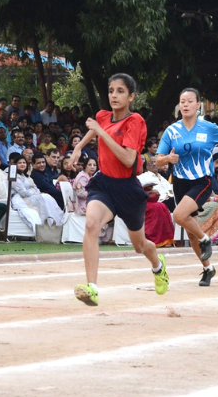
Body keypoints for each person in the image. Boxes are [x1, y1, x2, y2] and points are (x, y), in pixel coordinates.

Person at [68, 73, 168, 305]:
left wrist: (101, 132)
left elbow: (126, 158)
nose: (114, 95)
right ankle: (92, 288)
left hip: (128, 189)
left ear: (131, 96)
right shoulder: (103, 116)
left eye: (120, 91)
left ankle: (158, 266)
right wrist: (78, 148)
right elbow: (95, 128)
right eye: (111, 91)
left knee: (140, 245)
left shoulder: (136, 122)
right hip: (104, 185)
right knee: (92, 224)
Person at [157, 87, 218, 285]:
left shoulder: (208, 128)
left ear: (198, 105)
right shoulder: (172, 130)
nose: (185, 105)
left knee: (178, 216)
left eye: (189, 101)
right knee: (192, 235)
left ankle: (205, 239)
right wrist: (168, 158)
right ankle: (208, 268)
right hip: (179, 182)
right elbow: (158, 160)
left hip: (202, 181)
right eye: (182, 101)